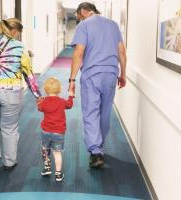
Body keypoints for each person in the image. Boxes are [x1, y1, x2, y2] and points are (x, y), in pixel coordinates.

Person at [69, 2, 126, 168]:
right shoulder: (113, 24)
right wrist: (123, 74)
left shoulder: (84, 25)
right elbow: (121, 52)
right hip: (110, 74)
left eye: (79, 16)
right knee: (104, 112)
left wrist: (72, 80)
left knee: (91, 111)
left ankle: (95, 152)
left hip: (92, 75)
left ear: (83, 11)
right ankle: (99, 146)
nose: (78, 19)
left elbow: (78, 53)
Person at [0, 18, 41, 169]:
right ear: (15, 31)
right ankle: (9, 162)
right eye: (19, 33)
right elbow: (28, 73)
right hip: (11, 92)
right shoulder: (19, 47)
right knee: (9, 127)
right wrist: (37, 94)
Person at [37, 77, 74, 182]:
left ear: (45, 89)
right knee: (57, 153)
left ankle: (47, 168)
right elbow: (69, 105)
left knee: (45, 150)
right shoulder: (62, 102)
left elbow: (39, 108)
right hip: (59, 132)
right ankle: (58, 174)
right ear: (59, 89)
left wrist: (39, 101)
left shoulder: (44, 102)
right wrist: (71, 95)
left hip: (46, 131)